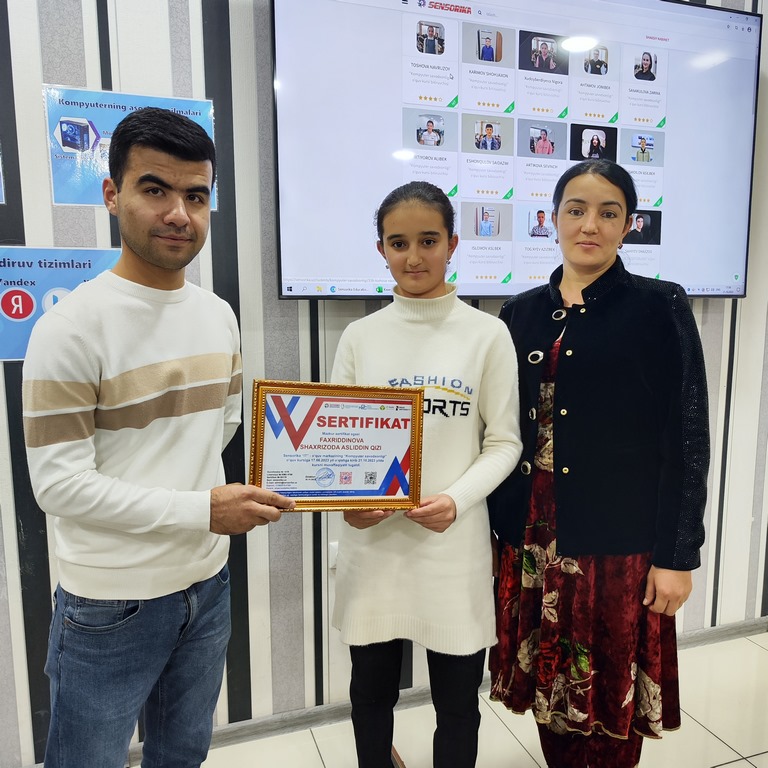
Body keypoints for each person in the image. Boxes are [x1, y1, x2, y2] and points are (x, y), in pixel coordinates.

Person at [22, 107, 295, 768]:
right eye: (155, 189)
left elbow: (219, 429)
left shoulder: (218, 315)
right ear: (112, 195)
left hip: (206, 585)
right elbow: (58, 486)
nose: (179, 213)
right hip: (109, 601)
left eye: (196, 196)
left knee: (183, 754)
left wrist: (208, 517)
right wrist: (202, 510)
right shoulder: (70, 327)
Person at [488, 159, 709, 768]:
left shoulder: (658, 306)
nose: (590, 225)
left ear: (629, 224)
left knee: (609, 694)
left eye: (609, 213)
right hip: (532, 536)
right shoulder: (519, 313)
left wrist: (678, 555)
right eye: (576, 210)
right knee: (548, 691)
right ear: (552, 218)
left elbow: (687, 436)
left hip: (617, 546)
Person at [332, 181, 522, 768]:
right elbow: (335, 443)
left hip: (452, 547)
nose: (413, 257)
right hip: (374, 549)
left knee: (458, 704)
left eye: (428, 240)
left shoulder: (487, 334)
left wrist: (456, 500)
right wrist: (348, 505)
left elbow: (504, 442)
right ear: (381, 250)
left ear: (452, 244)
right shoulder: (360, 337)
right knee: (370, 695)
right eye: (398, 243)